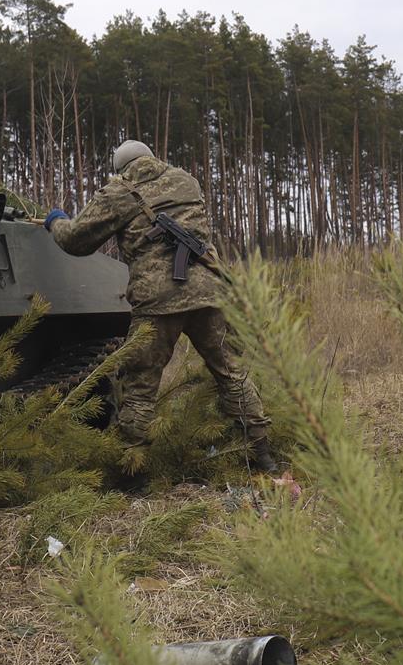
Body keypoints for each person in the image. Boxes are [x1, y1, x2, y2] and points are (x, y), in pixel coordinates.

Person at [43, 140, 281, 473]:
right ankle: (262, 454)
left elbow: (75, 241)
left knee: (140, 387)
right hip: (209, 293)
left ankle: (133, 470)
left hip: (158, 301)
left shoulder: (119, 192)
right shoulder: (187, 181)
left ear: (121, 169)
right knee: (232, 374)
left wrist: (56, 220)